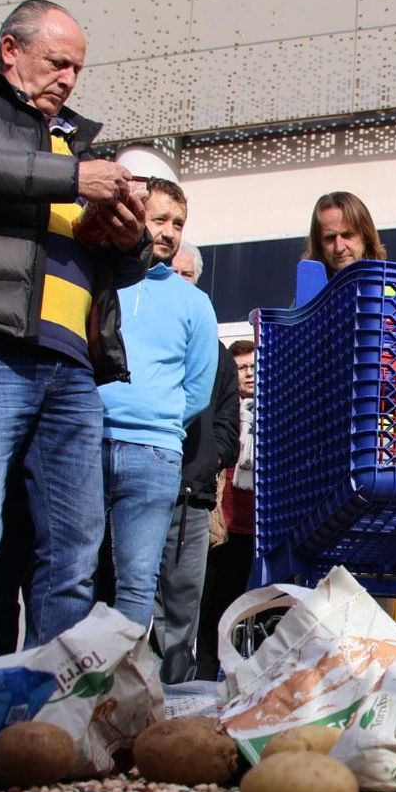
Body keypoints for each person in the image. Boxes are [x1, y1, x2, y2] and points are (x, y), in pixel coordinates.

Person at [0, 0, 151, 670]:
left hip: (73, 363)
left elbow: (120, 265)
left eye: (78, 68)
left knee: (75, 548)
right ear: (10, 50)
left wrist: (130, 240)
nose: (69, 79)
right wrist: (74, 177)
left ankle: (55, 698)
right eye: (58, 62)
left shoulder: (75, 140)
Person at [99, 179, 219, 634]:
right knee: (70, 574)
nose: (169, 232)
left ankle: (118, 692)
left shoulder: (195, 302)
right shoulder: (101, 276)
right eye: (160, 219)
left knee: (137, 584)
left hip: (154, 452)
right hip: (86, 440)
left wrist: (156, 418)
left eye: (179, 224)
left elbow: (197, 389)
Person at [151, 238, 237, 682]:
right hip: (141, 479)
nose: (178, 281)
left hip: (192, 493)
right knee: (131, 598)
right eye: (172, 271)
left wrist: (207, 459)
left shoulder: (217, 351)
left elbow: (227, 420)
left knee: (183, 604)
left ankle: (173, 701)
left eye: (187, 274)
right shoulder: (144, 326)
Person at [199, 339, 257, 672]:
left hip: (259, 528)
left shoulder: (273, 409)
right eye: (241, 369)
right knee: (214, 610)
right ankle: (205, 678)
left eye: (253, 366)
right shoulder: (225, 412)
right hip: (226, 527)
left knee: (255, 612)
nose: (248, 374)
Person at [304, 191, 388, 276]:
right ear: (319, 244)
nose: (339, 248)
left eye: (347, 235)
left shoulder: (394, 288)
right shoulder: (310, 289)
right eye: (330, 238)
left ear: (366, 236)